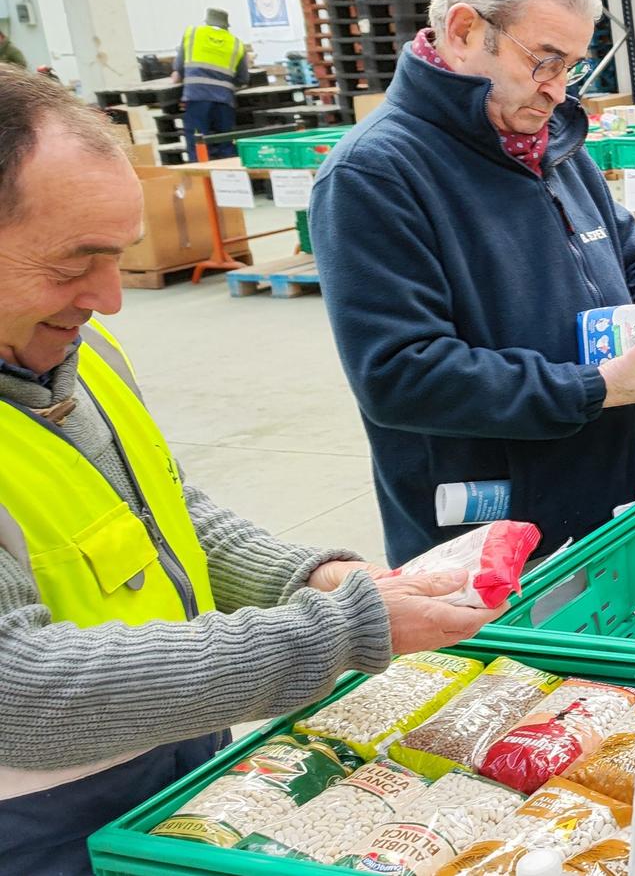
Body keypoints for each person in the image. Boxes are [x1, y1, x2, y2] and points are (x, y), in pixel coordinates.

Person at [0, 69, 500, 875]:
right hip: (38, 831)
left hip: (168, 777)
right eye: (73, 264)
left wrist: (317, 575)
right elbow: (16, 693)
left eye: (117, 258)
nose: (109, 298)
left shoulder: (78, 353)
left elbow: (164, 512)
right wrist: (339, 631)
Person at [310, 0, 635, 565]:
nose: (558, 89)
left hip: (615, 497)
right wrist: (591, 389)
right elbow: (401, 375)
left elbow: (627, 260)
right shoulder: (375, 175)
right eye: (543, 60)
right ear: (464, 31)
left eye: (569, 66)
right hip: (496, 536)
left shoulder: (550, 144)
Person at [170, 8, 250, 157]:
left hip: (197, 97)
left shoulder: (192, 33)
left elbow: (179, 68)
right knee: (225, 143)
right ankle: (230, 177)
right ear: (226, 25)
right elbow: (243, 79)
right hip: (224, 101)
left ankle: (202, 179)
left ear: (207, 21)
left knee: (198, 143)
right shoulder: (237, 44)